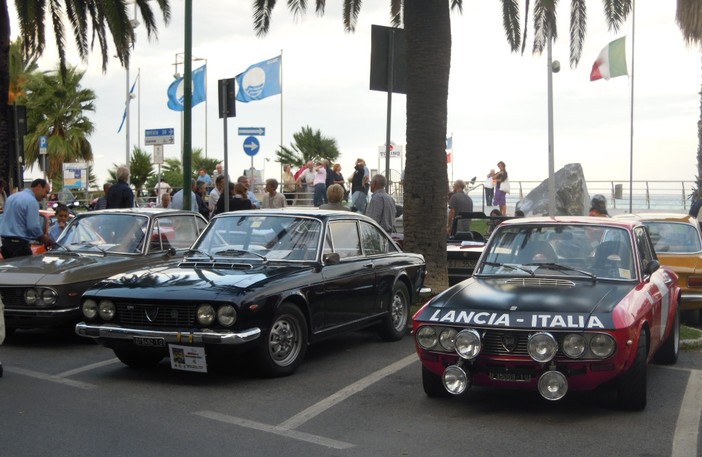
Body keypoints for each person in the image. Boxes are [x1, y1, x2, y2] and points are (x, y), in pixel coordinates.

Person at [0, 178, 52, 258]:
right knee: (28, 269)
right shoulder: (32, 201)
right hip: (19, 244)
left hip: (5, 243)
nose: (45, 196)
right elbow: (33, 226)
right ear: (38, 187)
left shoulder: (11, 197)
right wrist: (43, 238)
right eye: (46, 192)